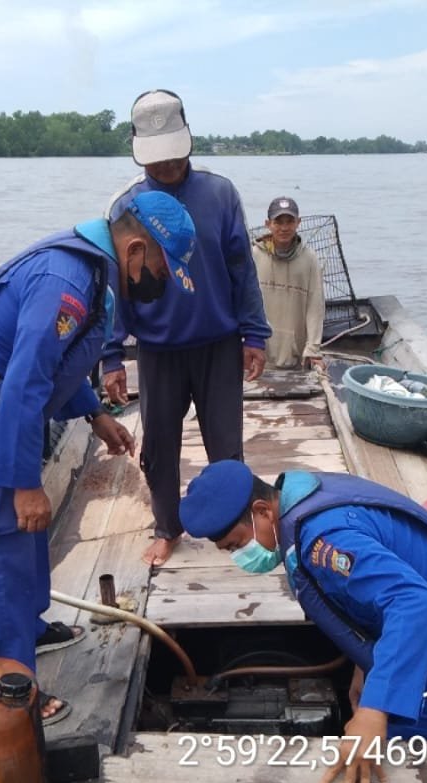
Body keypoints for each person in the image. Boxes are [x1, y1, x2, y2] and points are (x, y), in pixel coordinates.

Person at [0, 191, 197, 724]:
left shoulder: (92, 272)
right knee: (4, 547)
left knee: (28, 532)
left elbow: (58, 359)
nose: (161, 280)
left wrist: (95, 414)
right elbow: (24, 381)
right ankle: (8, 688)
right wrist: (21, 482)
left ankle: (28, 629)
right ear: (133, 250)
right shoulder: (67, 281)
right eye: (160, 266)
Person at [179, 461, 427, 783]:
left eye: (237, 545)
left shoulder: (323, 543)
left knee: (388, 753)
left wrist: (377, 710)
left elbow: (412, 603)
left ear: (261, 511)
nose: (239, 557)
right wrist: (365, 665)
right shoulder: (303, 495)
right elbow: (364, 601)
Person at [103, 89, 270, 568]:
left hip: (218, 343)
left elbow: (242, 268)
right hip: (157, 349)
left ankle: (237, 523)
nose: (168, 167)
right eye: (158, 160)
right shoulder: (125, 207)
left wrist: (253, 334)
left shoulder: (220, 193)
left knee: (226, 445)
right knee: (158, 447)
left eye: (175, 157)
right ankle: (166, 526)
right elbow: (116, 290)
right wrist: (111, 356)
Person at [252, 197, 326, 371]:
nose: (284, 228)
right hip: (258, 354)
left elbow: (315, 306)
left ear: (298, 223)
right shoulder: (253, 255)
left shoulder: (310, 259)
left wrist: (313, 349)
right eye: (278, 222)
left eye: (290, 221)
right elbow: (241, 302)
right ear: (268, 224)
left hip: (294, 358)